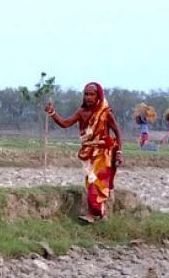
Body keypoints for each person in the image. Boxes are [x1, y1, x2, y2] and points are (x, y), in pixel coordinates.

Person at [45, 82, 123, 223]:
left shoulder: (105, 113)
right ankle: (100, 214)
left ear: (98, 95)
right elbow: (65, 123)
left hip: (103, 152)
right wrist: (52, 113)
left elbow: (117, 131)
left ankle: (93, 215)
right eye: (86, 94)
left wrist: (119, 152)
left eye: (91, 94)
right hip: (88, 152)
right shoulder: (81, 112)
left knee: (95, 182)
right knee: (90, 183)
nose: (88, 97)